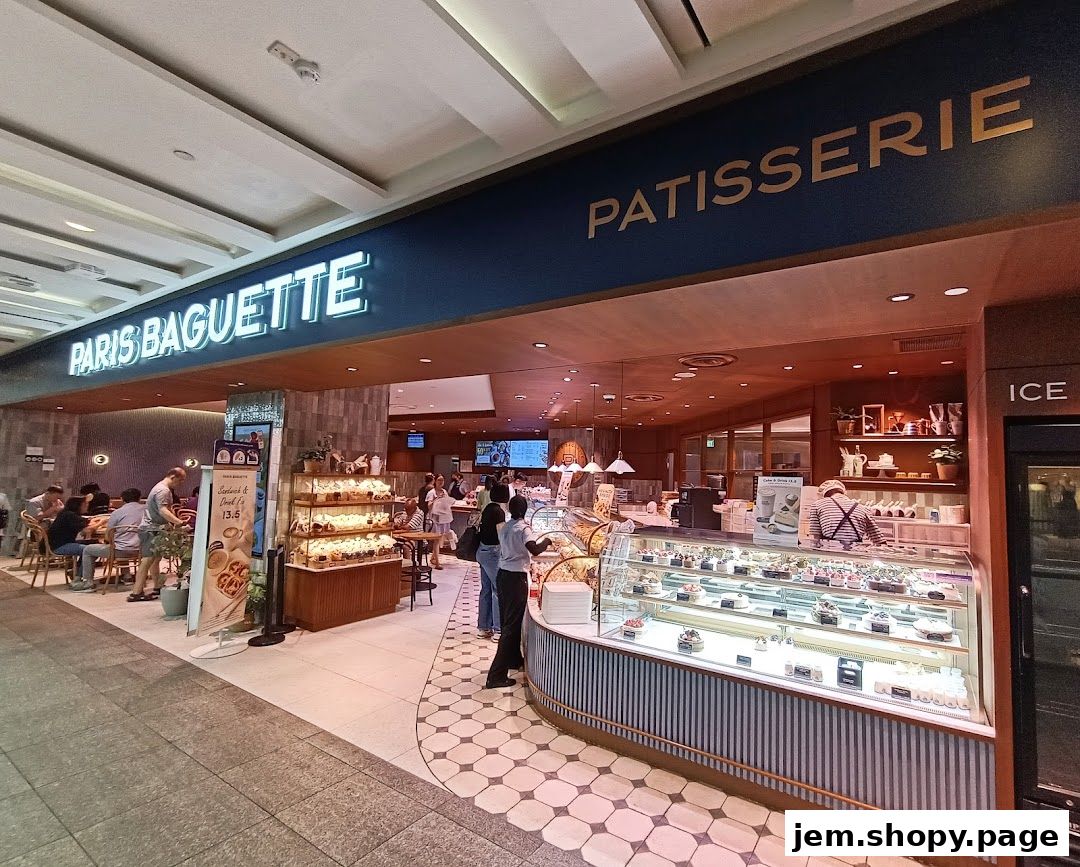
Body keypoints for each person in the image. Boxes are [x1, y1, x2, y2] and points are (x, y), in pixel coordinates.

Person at [486, 495, 552, 689]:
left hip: (503, 575)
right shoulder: (524, 528)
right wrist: (547, 541)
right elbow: (534, 549)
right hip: (516, 578)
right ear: (524, 510)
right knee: (510, 627)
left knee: (508, 622)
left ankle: (514, 659)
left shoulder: (505, 526)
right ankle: (496, 675)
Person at [130, 467, 187, 602]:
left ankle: (157, 586)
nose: (180, 484)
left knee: (155, 559)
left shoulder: (160, 488)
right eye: (180, 481)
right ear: (173, 477)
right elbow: (163, 510)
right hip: (151, 529)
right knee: (147, 560)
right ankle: (136, 592)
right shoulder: (163, 490)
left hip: (154, 528)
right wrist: (179, 522)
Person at [71, 488, 144, 591]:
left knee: (88, 549)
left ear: (122, 499)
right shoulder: (146, 510)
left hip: (120, 551)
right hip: (141, 550)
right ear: (139, 498)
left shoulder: (117, 513)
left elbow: (108, 536)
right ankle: (127, 576)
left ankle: (88, 582)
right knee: (121, 543)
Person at [476, 483, 510, 640]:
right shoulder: (498, 512)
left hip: (482, 551)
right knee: (498, 589)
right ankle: (498, 629)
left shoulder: (488, 508)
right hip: (492, 553)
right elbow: (501, 535)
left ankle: (483, 627)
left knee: (486, 589)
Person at [808, 480, 886, 547]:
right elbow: (879, 541)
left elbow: (815, 539)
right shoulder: (863, 508)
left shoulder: (817, 505)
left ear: (824, 495)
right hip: (855, 554)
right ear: (843, 492)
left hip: (829, 554)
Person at [46, 496, 106, 573]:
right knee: (92, 550)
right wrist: (101, 522)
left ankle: (77, 569)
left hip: (60, 543)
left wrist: (94, 520)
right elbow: (87, 530)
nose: (87, 505)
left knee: (95, 543)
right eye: (85, 504)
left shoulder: (67, 513)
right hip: (59, 546)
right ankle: (79, 574)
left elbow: (86, 522)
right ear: (77, 505)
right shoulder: (69, 515)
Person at [425, 474, 454, 570]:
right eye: (439, 480)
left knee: (440, 538)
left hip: (444, 518)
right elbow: (429, 506)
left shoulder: (444, 491)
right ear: (435, 481)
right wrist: (437, 499)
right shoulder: (431, 492)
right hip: (435, 519)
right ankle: (437, 562)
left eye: (442, 480)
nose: (441, 482)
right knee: (436, 540)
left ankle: (433, 558)